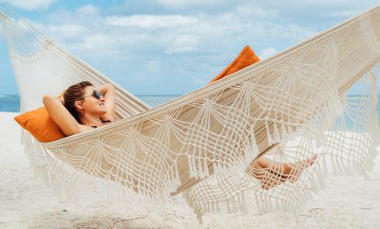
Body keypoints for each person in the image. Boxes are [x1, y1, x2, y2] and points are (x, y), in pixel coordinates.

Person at [43, 81, 317, 190]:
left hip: (162, 150)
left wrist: (96, 97)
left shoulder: (108, 119)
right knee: (220, 138)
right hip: (150, 165)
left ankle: (268, 174)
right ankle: (278, 170)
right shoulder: (79, 130)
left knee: (225, 139)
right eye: (95, 97)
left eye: (100, 96)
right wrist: (71, 99)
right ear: (78, 106)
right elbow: (48, 100)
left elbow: (109, 87)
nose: (102, 98)